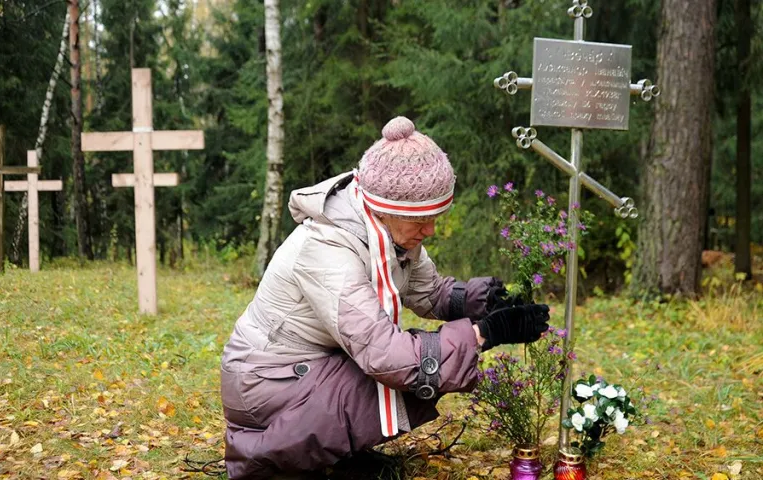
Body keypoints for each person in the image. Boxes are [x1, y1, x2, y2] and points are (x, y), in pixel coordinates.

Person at [220, 116, 550, 479]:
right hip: (265, 383)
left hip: (311, 368)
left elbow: (432, 292)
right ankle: (279, 459)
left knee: (424, 361)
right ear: (385, 209)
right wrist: (484, 333)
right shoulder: (327, 247)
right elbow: (386, 356)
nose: (431, 229)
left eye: (435, 216)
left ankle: (336, 454)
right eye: (421, 219)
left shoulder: (390, 235)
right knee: (405, 369)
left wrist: (489, 302)